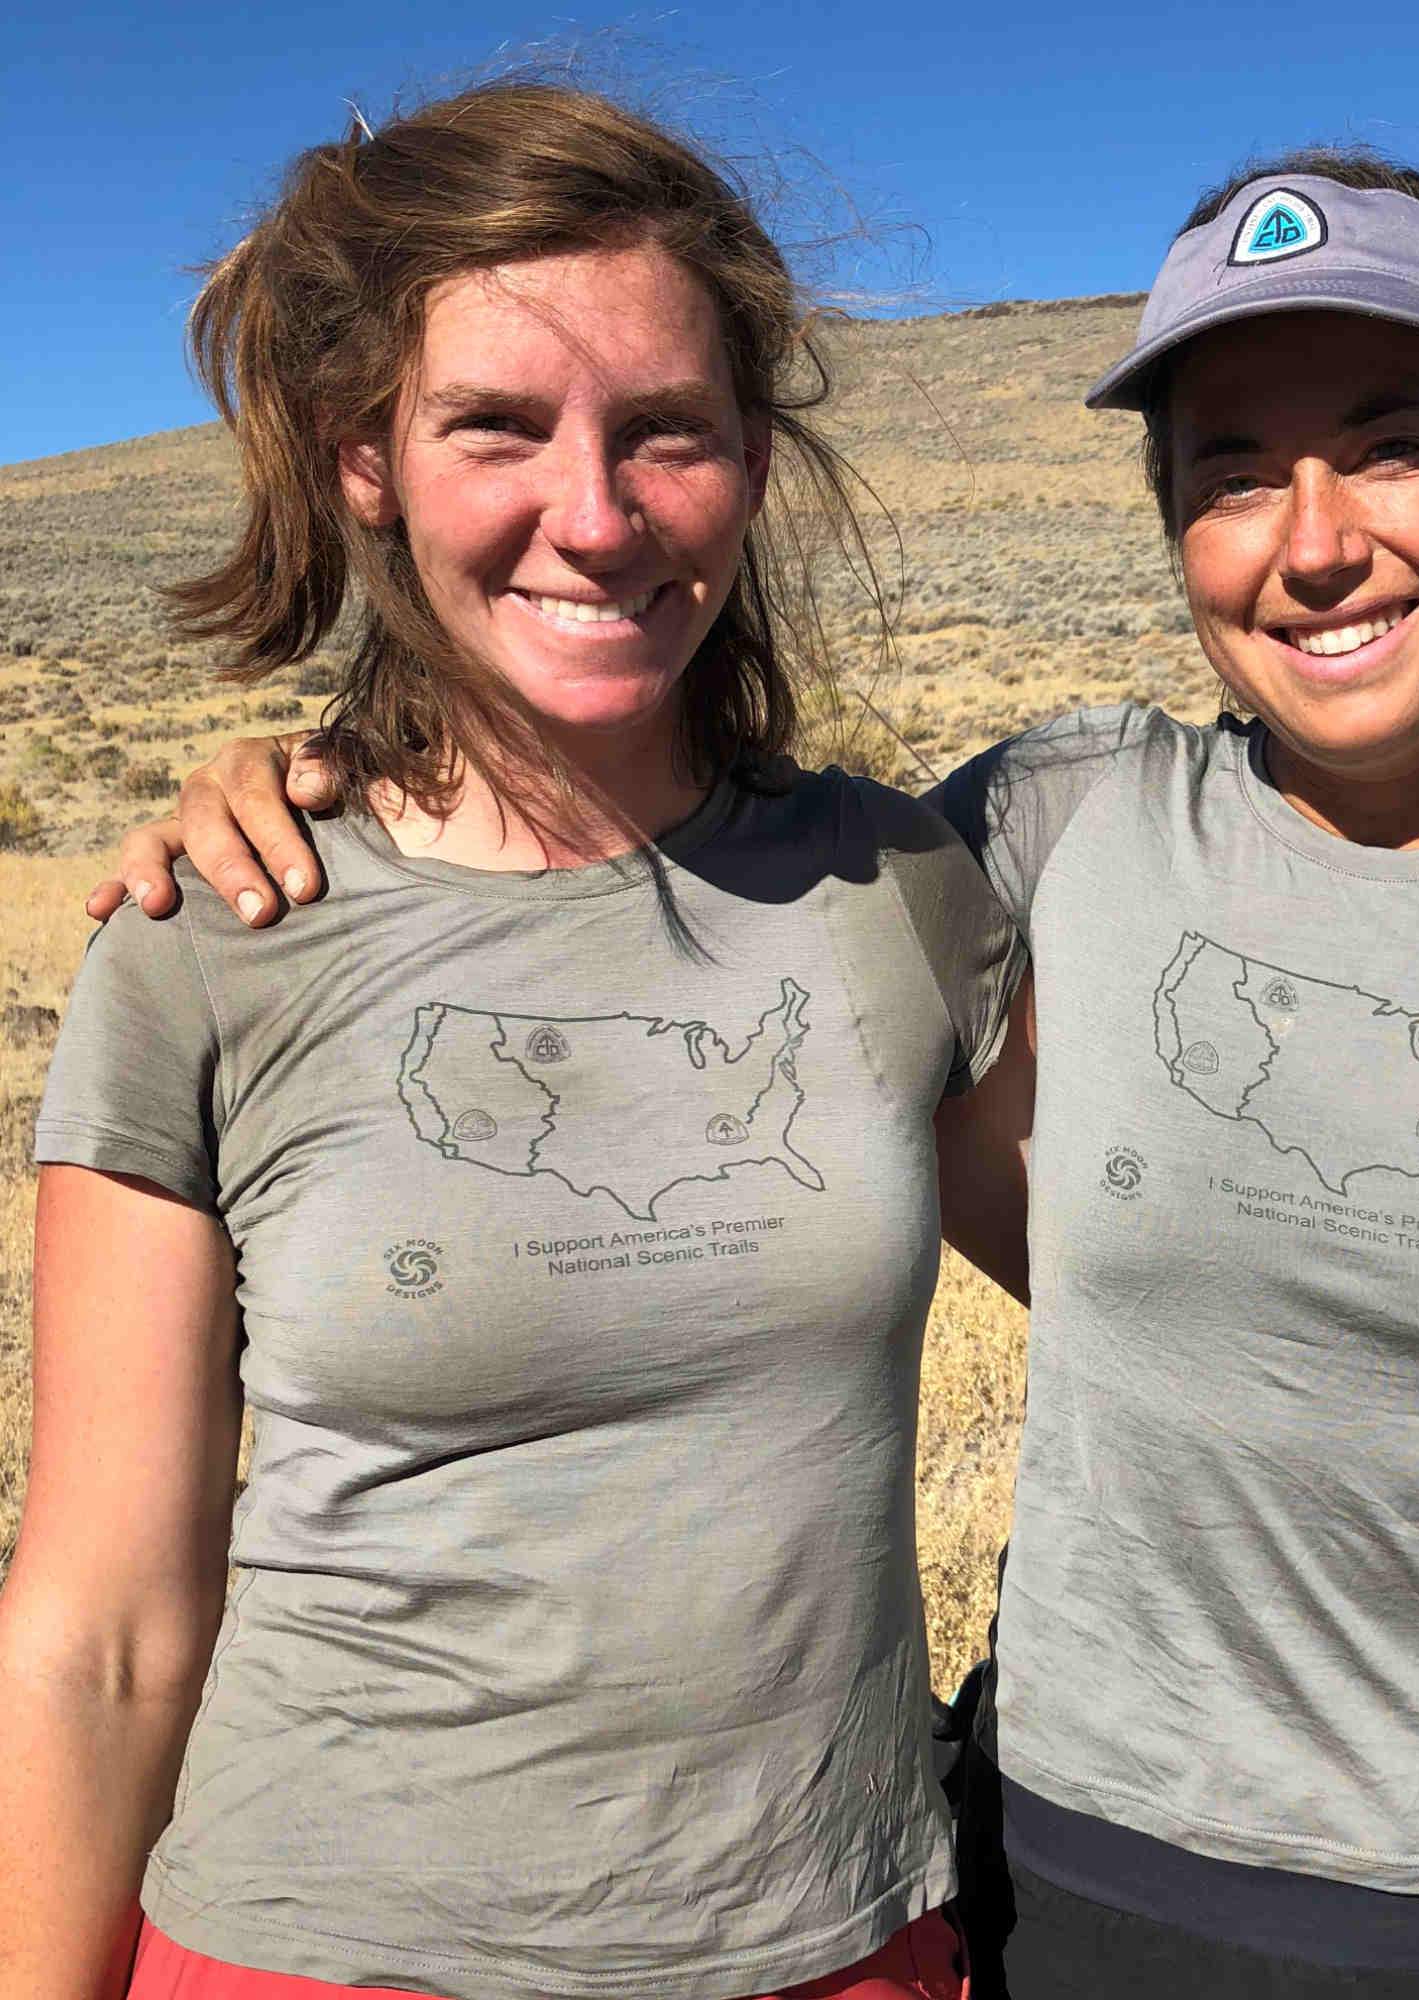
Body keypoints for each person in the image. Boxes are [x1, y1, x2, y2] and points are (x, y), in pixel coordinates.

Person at [94, 153, 1419, 2000]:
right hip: (1070, 1883)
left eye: (1391, 446)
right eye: (1229, 470)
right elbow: (666, 882)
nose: (1317, 541)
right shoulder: (1057, 830)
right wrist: (318, 773)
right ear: (1168, 520)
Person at [3, 82, 1024, 2000]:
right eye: (497, 427)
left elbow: (1180, 1297)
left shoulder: (895, 891)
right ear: (367, 463)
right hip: (326, 1955)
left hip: (840, 1947)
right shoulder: (217, 937)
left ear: (748, 464)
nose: (596, 513)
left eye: (666, 434)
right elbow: (102, 1633)